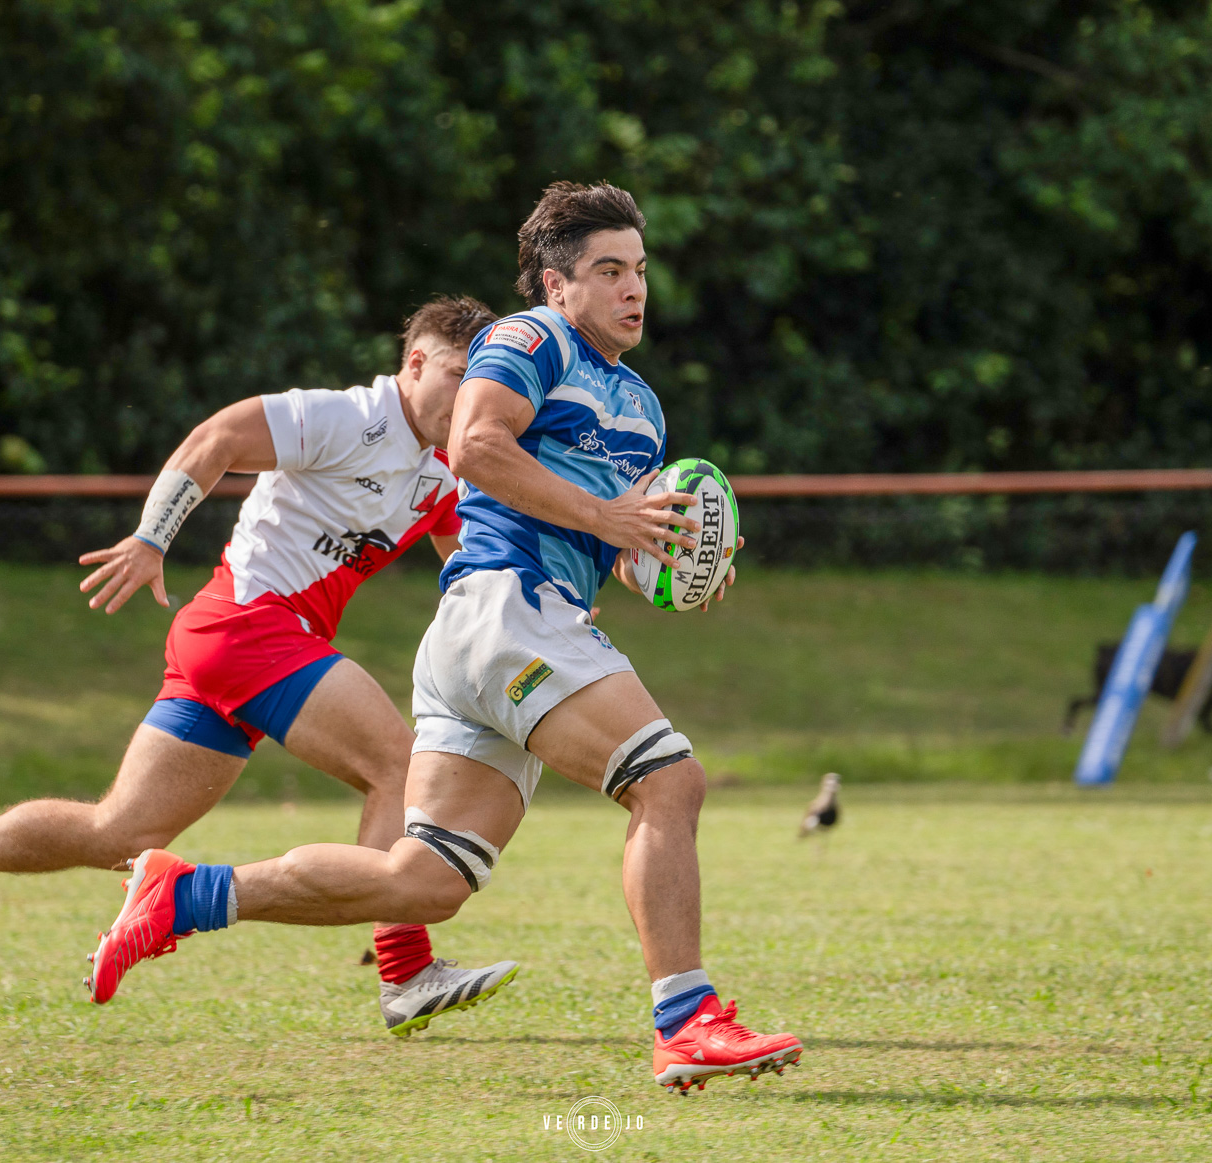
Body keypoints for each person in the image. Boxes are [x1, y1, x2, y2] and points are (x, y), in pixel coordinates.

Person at [73, 182, 803, 1094]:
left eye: (641, 270)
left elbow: (614, 531)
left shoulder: (642, 407)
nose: (633, 289)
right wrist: (609, 521)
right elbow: (477, 448)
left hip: (505, 627)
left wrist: (672, 559)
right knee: (669, 779)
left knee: (424, 881)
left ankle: (183, 894)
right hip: (507, 610)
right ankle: (687, 1021)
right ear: (555, 283)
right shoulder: (530, 341)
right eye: (609, 270)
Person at [0, 295, 520, 1037]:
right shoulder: (348, 416)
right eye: (456, 374)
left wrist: (525, 616)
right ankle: (405, 967)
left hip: (236, 646)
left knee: (116, 833)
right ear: (414, 364)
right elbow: (218, 435)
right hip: (247, 628)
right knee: (396, 762)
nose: (466, 395)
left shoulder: (442, 469)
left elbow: (470, 564)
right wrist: (151, 537)